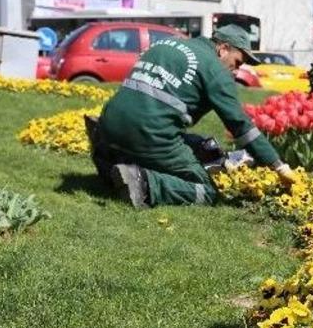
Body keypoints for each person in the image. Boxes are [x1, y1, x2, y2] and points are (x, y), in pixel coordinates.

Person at [88, 24, 296, 208]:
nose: (236, 71)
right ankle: (143, 182)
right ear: (223, 49)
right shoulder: (215, 69)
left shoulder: (168, 44)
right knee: (206, 190)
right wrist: (278, 165)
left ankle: (108, 156)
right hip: (149, 132)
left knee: (200, 144)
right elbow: (241, 126)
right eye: (238, 62)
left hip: (110, 122)